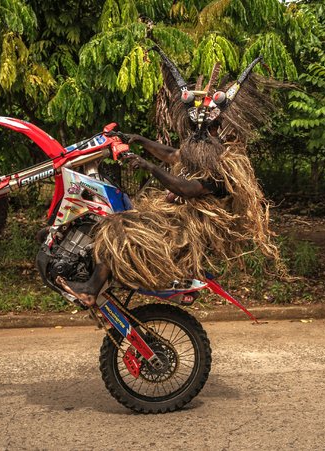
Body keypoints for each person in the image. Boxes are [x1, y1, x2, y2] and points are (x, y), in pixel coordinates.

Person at [57, 50, 282, 307]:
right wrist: (138, 140)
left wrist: (149, 167)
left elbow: (187, 189)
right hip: (168, 216)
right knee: (102, 211)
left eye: (206, 129)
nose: (199, 134)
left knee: (116, 228)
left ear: (219, 128)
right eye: (195, 128)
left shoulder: (223, 167)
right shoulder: (197, 153)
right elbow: (173, 155)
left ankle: (90, 290)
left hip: (181, 227)